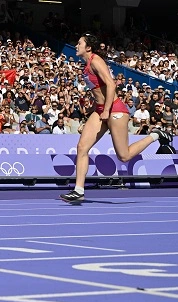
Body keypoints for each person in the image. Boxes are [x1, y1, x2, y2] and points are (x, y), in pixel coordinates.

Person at [60, 33, 172, 203]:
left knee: (124, 156)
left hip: (115, 109)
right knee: (82, 147)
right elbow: (99, 92)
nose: (76, 46)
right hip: (100, 110)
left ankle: (155, 135)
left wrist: (106, 111)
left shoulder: (96, 60)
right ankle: (78, 190)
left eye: (79, 43)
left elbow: (111, 84)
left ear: (88, 47)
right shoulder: (86, 65)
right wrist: (94, 111)